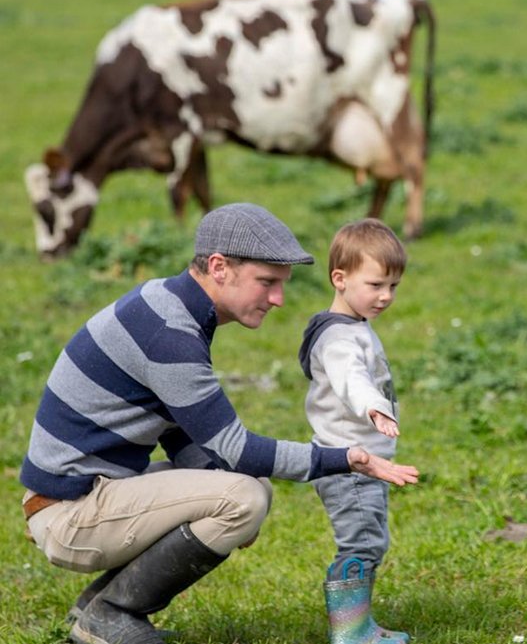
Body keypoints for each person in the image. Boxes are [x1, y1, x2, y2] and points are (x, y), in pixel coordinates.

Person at [19, 203, 420, 644]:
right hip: (68, 512)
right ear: (219, 267)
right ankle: (111, 616)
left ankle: (95, 607)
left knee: (244, 490)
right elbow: (239, 449)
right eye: (266, 283)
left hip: (83, 493)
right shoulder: (169, 334)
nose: (278, 300)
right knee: (242, 496)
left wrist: (222, 488)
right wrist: (345, 458)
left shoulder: (167, 305)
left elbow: (178, 431)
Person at [298, 218, 413, 644]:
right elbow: (352, 380)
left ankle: (357, 625)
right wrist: (373, 409)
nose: (385, 296)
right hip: (352, 465)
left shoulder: (351, 325)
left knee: (368, 540)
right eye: (376, 284)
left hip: (359, 460)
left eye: (393, 287)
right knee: (363, 544)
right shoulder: (339, 341)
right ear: (339, 279)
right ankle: (351, 632)